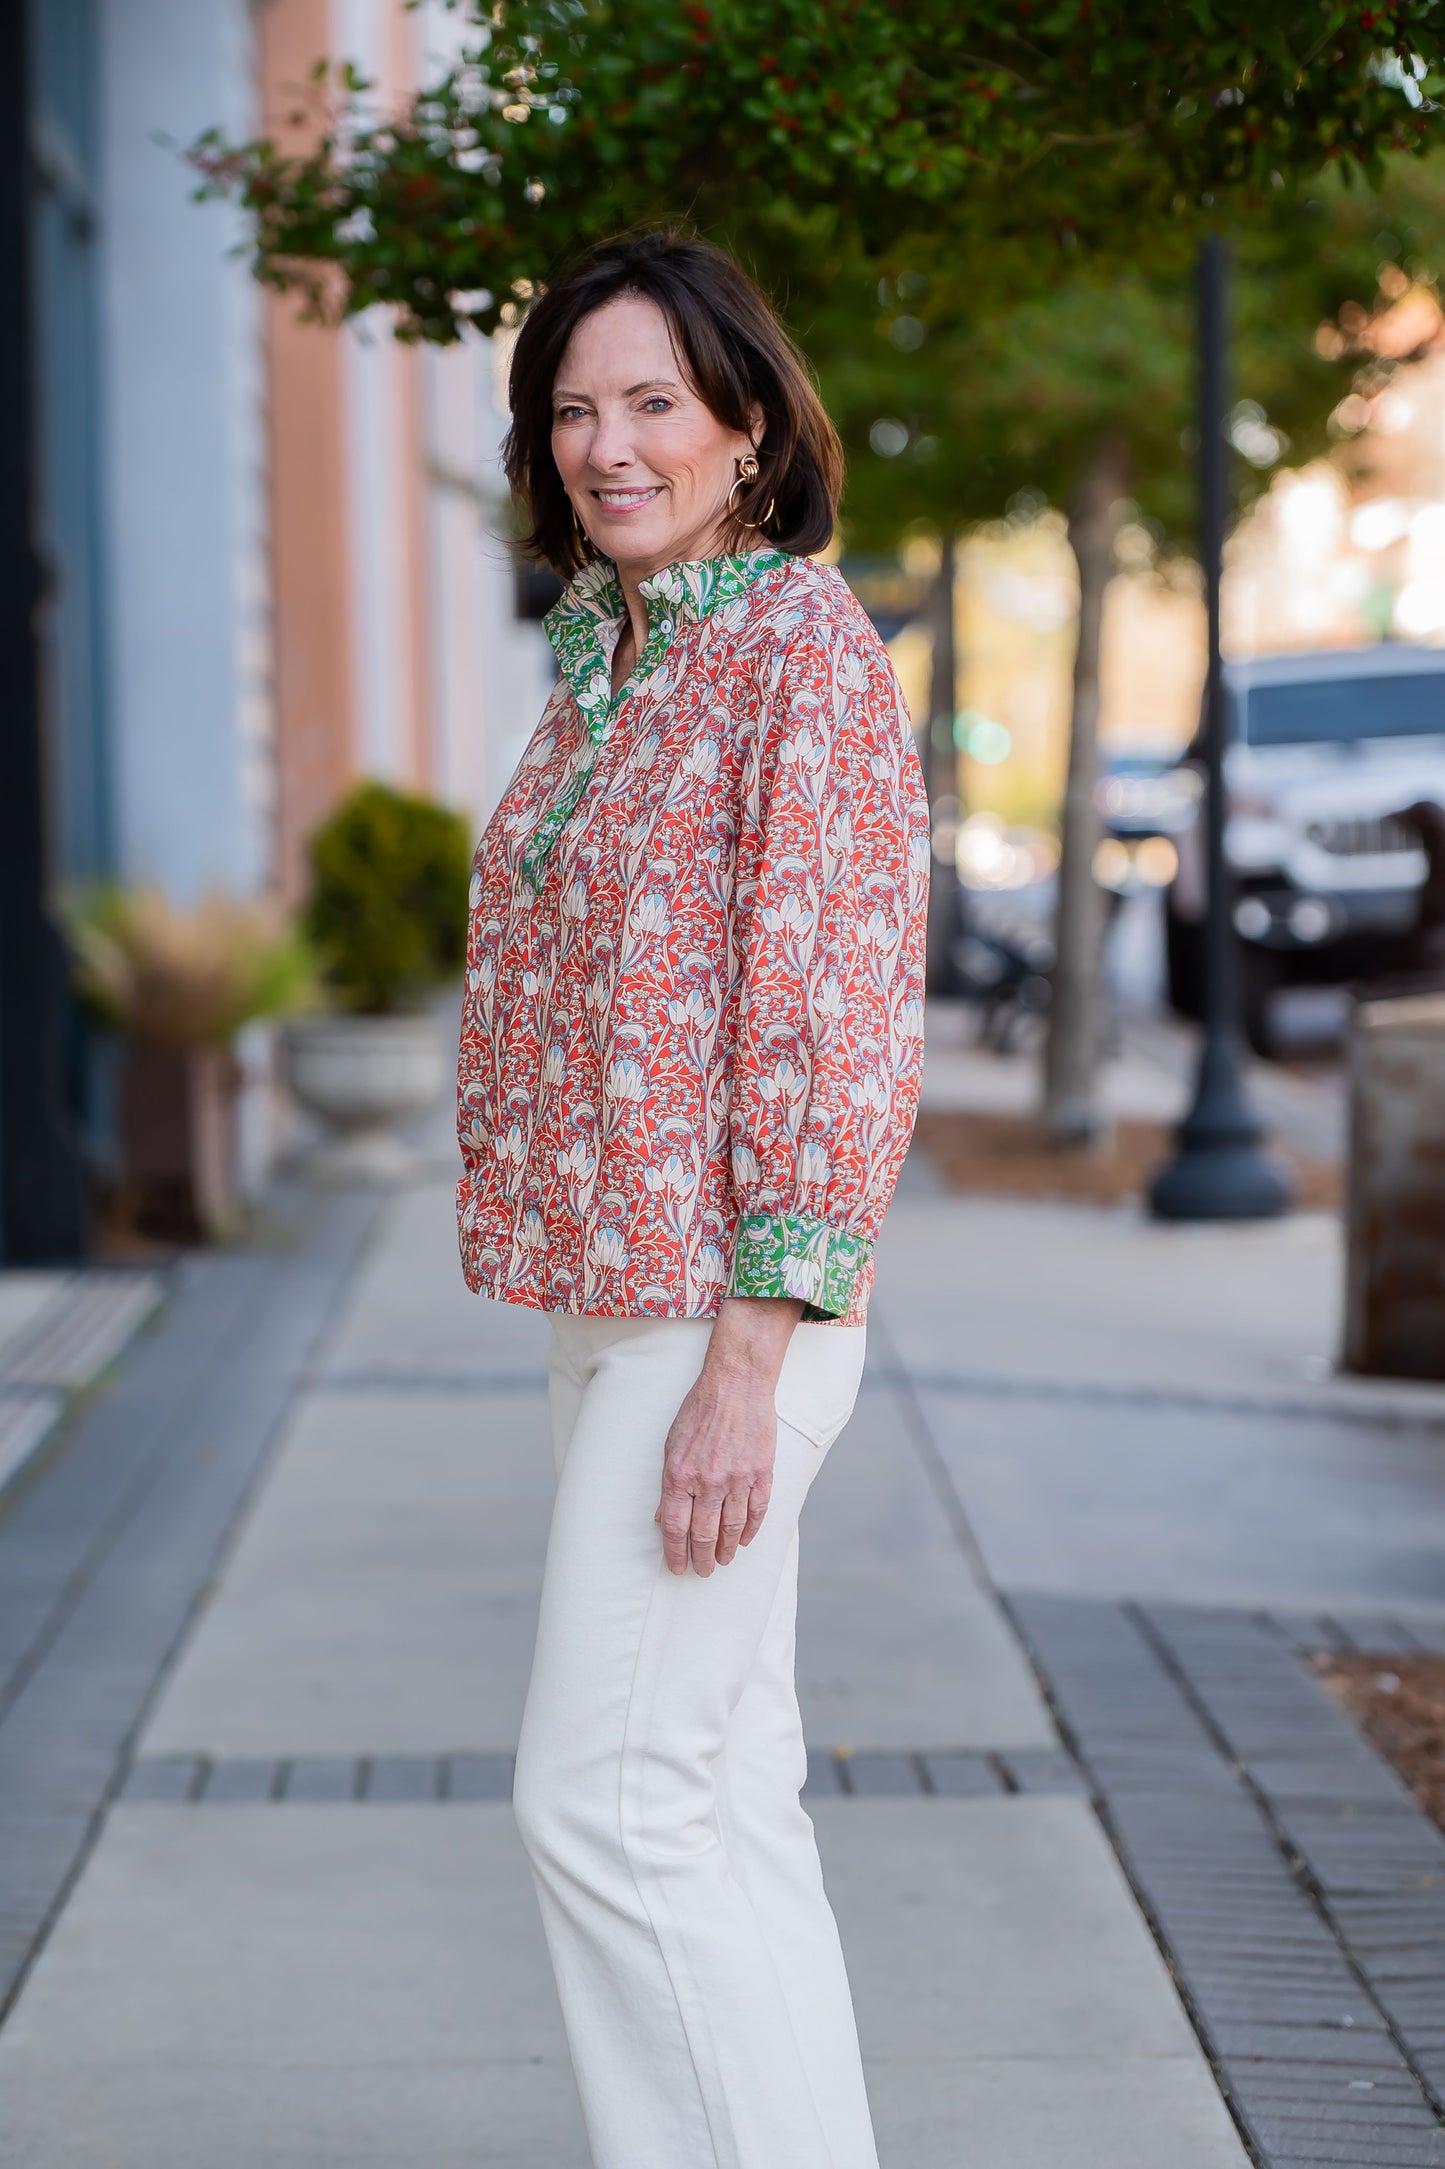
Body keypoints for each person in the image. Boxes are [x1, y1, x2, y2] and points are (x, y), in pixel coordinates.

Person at [456, 228, 930, 2169]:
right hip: (614, 1298)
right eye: (573, 407)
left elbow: (829, 1011)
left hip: (719, 1314)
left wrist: (749, 1357)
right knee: (721, 1792)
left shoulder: (796, 648)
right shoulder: (609, 655)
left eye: (652, 400)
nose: (606, 442)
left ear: (747, 421)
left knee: (605, 1795)